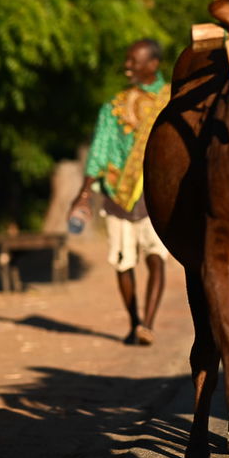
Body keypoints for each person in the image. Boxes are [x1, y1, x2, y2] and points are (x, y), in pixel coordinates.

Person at [69, 38, 172, 344]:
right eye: (127, 61)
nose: (127, 67)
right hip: (118, 194)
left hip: (157, 194)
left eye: (133, 61)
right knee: (123, 261)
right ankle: (134, 321)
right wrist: (84, 192)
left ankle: (148, 325)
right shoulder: (113, 107)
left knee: (157, 256)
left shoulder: (173, 101)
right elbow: (99, 150)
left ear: (152, 64)